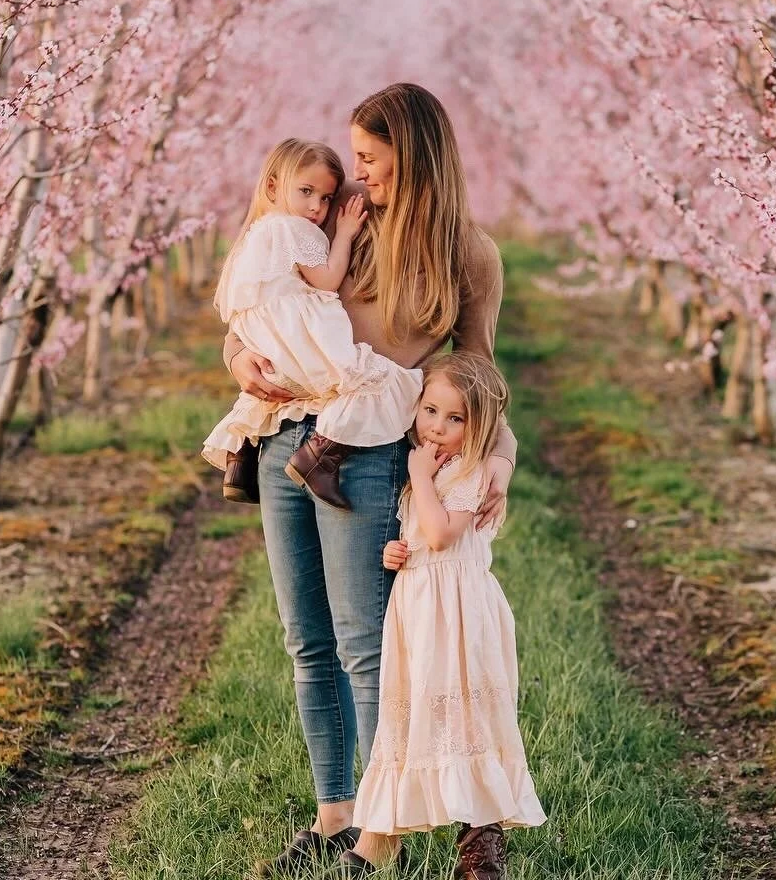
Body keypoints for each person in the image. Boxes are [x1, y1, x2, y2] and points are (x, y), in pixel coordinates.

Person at [223, 84, 516, 879]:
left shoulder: (466, 253)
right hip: (288, 432)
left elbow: (480, 370)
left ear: (415, 159)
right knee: (305, 640)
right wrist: (237, 360)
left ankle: (394, 823)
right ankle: (334, 815)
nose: (356, 175)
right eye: (354, 159)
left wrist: (499, 454)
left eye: (371, 161)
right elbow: (261, 305)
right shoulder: (337, 221)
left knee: (368, 644)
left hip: (375, 447)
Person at [335, 353, 544, 879]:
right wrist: (397, 553)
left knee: (465, 713)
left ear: (480, 428)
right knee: (421, 708)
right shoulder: (434, 471)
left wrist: (420, 478)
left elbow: (442, 533)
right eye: (430, 411)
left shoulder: (473, 473)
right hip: (420, 609)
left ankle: (479, 841)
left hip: (459, 612)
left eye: (456, 420)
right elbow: (420, 539)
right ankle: (391, 832)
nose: (437, 427)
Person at [201, 137, 421, 509]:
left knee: (272, 386)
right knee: (377, 380)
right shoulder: (296, 229)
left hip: (266, 337)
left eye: (324, 199)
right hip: (296, 334)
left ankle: (240, 455)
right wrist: (347, 233)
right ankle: (320, 457)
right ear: (273, 186)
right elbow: (328, 279)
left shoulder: (256, 230)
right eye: (306, 192)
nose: (316, 208)